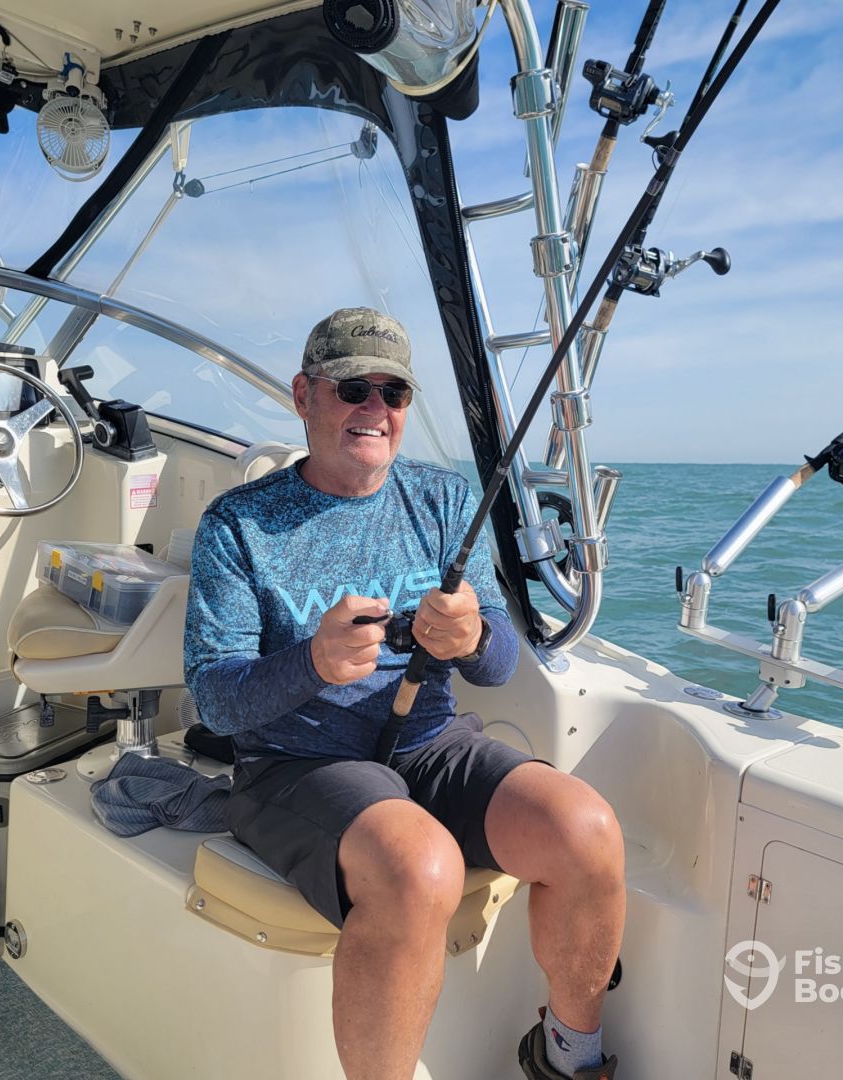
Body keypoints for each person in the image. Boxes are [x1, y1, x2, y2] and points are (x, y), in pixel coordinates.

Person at [184, 307, 626, 1080]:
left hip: (430, 743)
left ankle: (568, 1057)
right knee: (422, 868)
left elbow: (496, 665)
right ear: (305, 395)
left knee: (584, 829)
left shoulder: (444, 501)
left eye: (393, 393)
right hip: (295, 766)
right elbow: (216, 701)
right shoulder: (239, 525)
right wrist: (312, 662)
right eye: (352, 388)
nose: (375, 408)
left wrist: (473, 638)